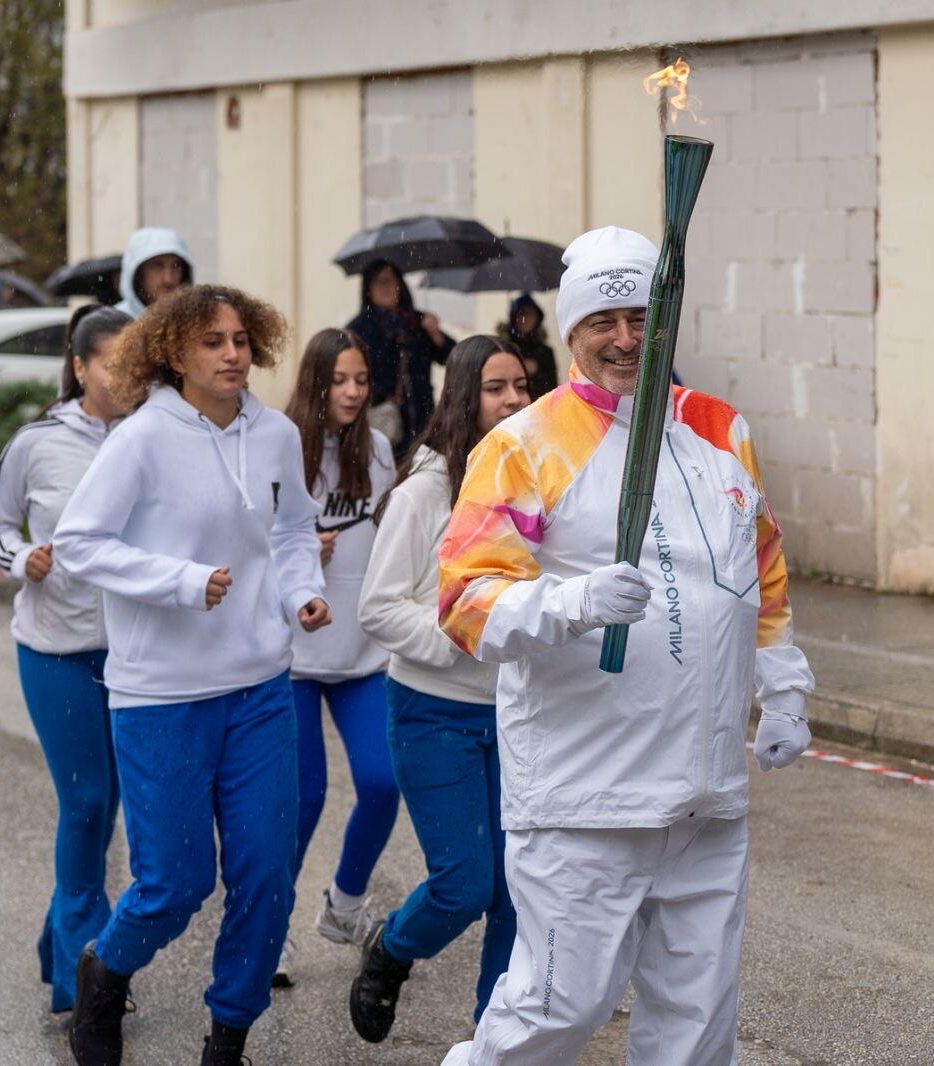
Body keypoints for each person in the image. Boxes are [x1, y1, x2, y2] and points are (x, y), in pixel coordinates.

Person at [435, 227, 816, 1065]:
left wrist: (783, 683)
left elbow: (760, 563)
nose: (626, 338)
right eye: (604, 319)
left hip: (705, 789)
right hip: (586, 791)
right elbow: (464, 600)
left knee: (697, 1026)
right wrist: (570, 602)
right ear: (571, 332)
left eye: (644, 315)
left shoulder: (720, 428)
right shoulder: (524, 444)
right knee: (557, 1013)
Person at [51, 285, 330, 1066]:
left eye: (241, 339)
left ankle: (228, 1035)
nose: (233, 353)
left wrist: (301, 592)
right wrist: (178, 579)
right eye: (213, 341)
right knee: (175, 883)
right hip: (162, 695)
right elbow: (78, 543)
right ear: (175, 353)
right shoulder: (140, 439)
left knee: (266, 873)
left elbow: (293, 527)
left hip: (261, 687)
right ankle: (104, 969)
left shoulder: (274, 434)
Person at [348, 335, 531, 1044]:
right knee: (465, 885)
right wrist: (464, 641)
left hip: (514, 712)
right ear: (464, 396)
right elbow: (379, 607)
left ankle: (497, 1040)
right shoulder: (426, 492)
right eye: (496, 387)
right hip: (433, 713)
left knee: (518, 891)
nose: (514, 399)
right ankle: (391, 949)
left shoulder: (531, 479)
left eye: (521, 385)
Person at [0, 303, 134, 1014]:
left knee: (107, 816)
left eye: (135, 362)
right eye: (111, 363)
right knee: (87, 803)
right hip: (56, 650)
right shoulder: (37, 443)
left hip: (134, 653)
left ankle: (59, 942)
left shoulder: (151, 437)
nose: (124, 375)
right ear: (79, 368)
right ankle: (85, 976)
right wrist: (22, 557)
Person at [277, 327, 400, 985]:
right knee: (303, 799)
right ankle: (270, 927)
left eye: (360, 380)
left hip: (361, 654)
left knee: (383, 781)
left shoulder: (377, 449)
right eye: (339, 381)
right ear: (315, 383)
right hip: (293, 657)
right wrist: (295, 549)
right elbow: (249, 540)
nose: (352, 393)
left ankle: (344, 905)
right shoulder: (280, 446)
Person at [347, 259, 455, 453]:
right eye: (378, 281)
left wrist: (437, 335)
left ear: (400, 285)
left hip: (422, 415)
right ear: (368, 289)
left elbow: (453, 358)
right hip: (382, 417)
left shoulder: (419, 322)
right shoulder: (359, 329)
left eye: (390, 280)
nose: (385, 287)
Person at [113, 226, 194, 319]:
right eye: (158, 266)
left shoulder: (194, 324)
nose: (168, 279)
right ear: (139, 273)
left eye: (176, 266)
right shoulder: (113, 325)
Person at [500, 291, 559, 399]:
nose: (526, 318)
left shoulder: (545, 352)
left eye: (530, 314)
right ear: (514, 317)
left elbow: (552, 388)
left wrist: (536, 371)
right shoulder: (504, 348)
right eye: (522, 313)